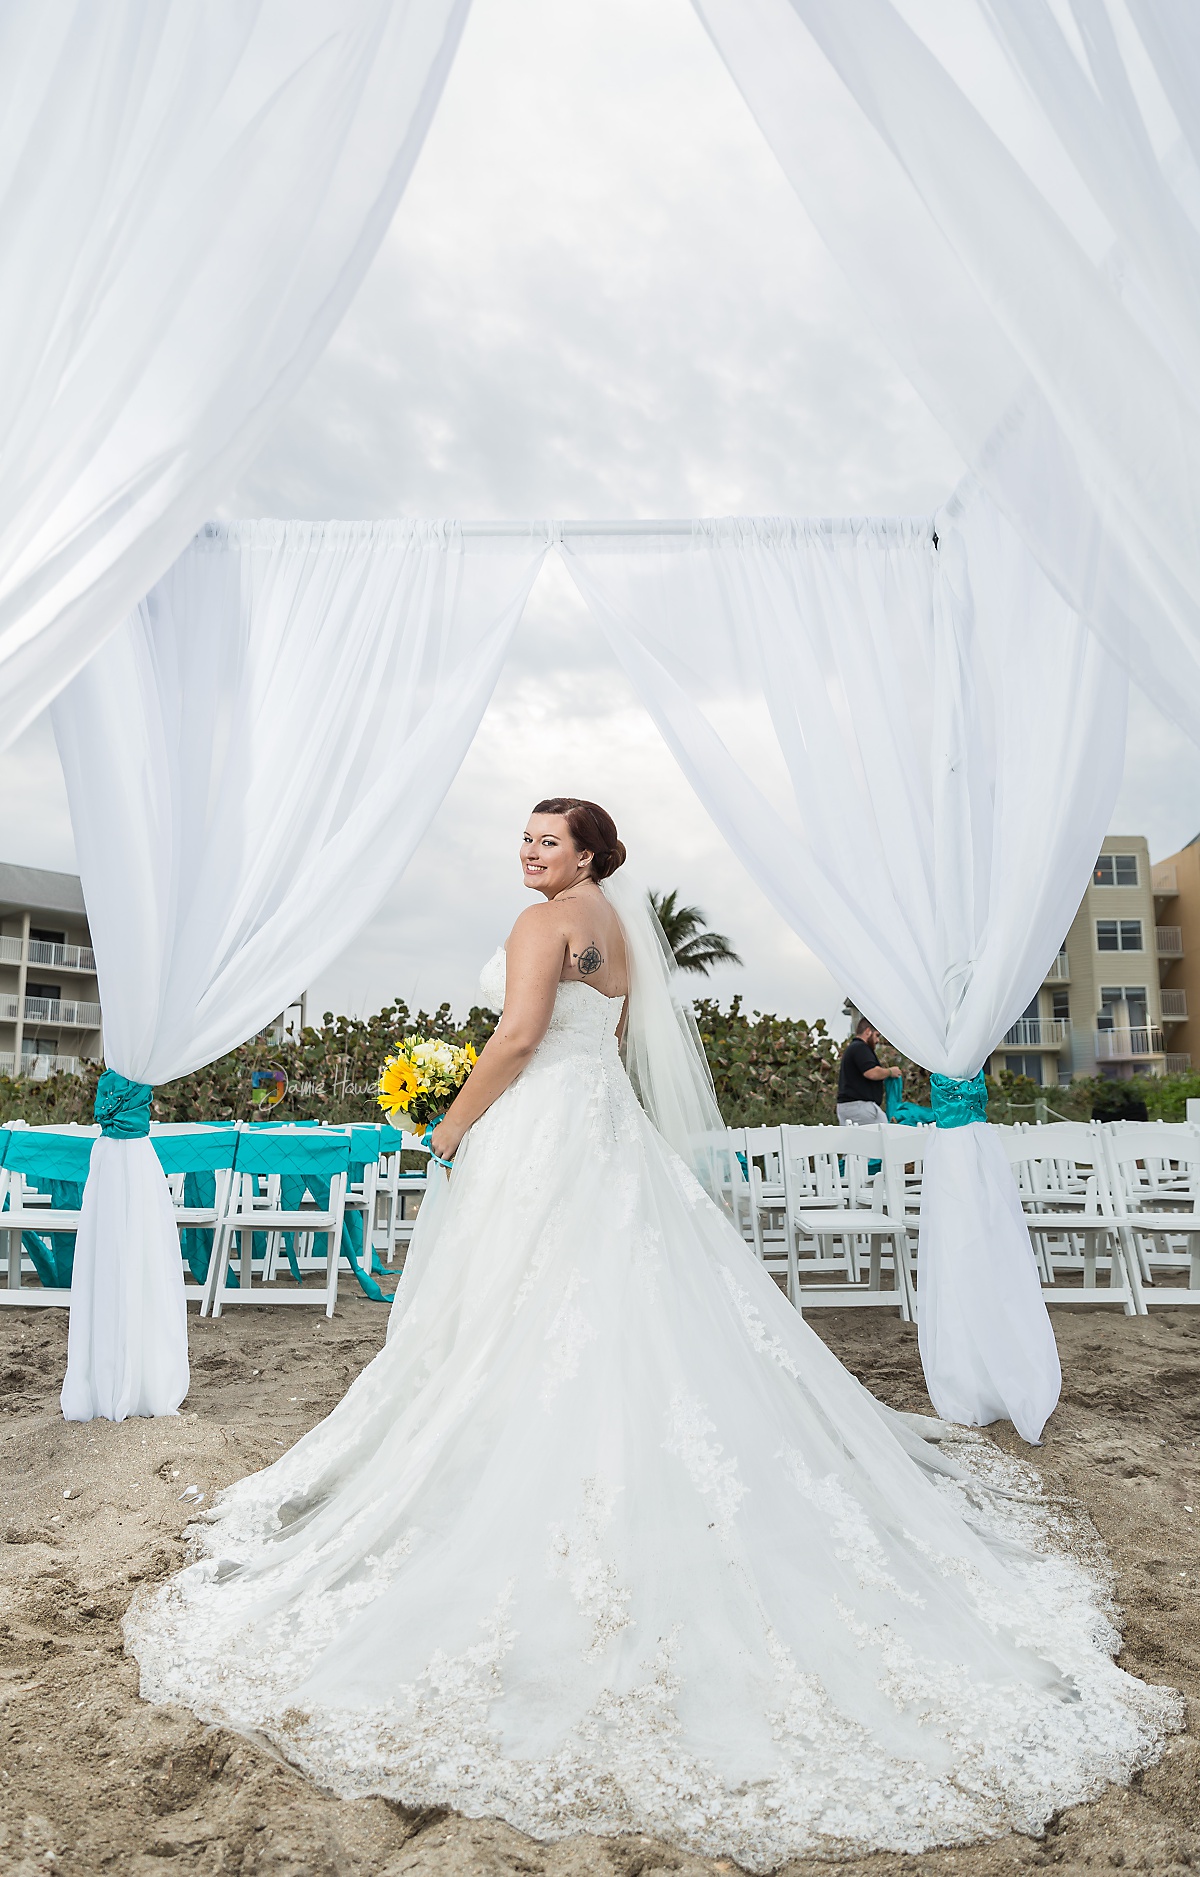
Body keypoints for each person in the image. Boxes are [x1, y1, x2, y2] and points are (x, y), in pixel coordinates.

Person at [126, 799, 1179, 1872]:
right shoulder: (616, 928)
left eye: (549, 838)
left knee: (522, 1302)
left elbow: (523, 1034)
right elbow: (604, 1040)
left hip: (542, 1129)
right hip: (600, 1130)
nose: (530, 850)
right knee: (619, 1293)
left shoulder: (541, 925)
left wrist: (447, 1126)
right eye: (525, 837)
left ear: (588, 852)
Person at [837, 1013, 901, 1125]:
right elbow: (871, 1072)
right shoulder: (861, 1047)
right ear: (868, 1031)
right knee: (883, 1135)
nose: (877, 1040)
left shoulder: (852, 1048)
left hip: (846, 1106)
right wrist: (890, 1072)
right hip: (860, 1107)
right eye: (877, 1035)